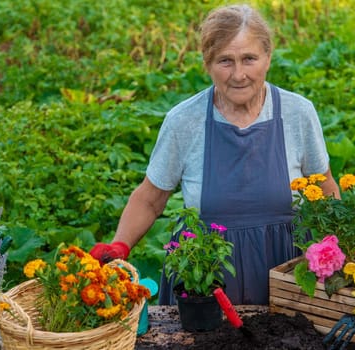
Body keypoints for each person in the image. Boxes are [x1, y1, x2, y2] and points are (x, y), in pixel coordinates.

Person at [90, 4, 340, 305]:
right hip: (205, 280)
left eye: (249, 59)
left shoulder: (297, 113)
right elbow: (150, 198)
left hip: (287, 276)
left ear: (268, 58)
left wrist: (341, 245)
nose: (239, 74)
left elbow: (325, 188)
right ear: (207, 63)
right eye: (225, 61)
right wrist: (119, 247)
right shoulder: (185, 121)